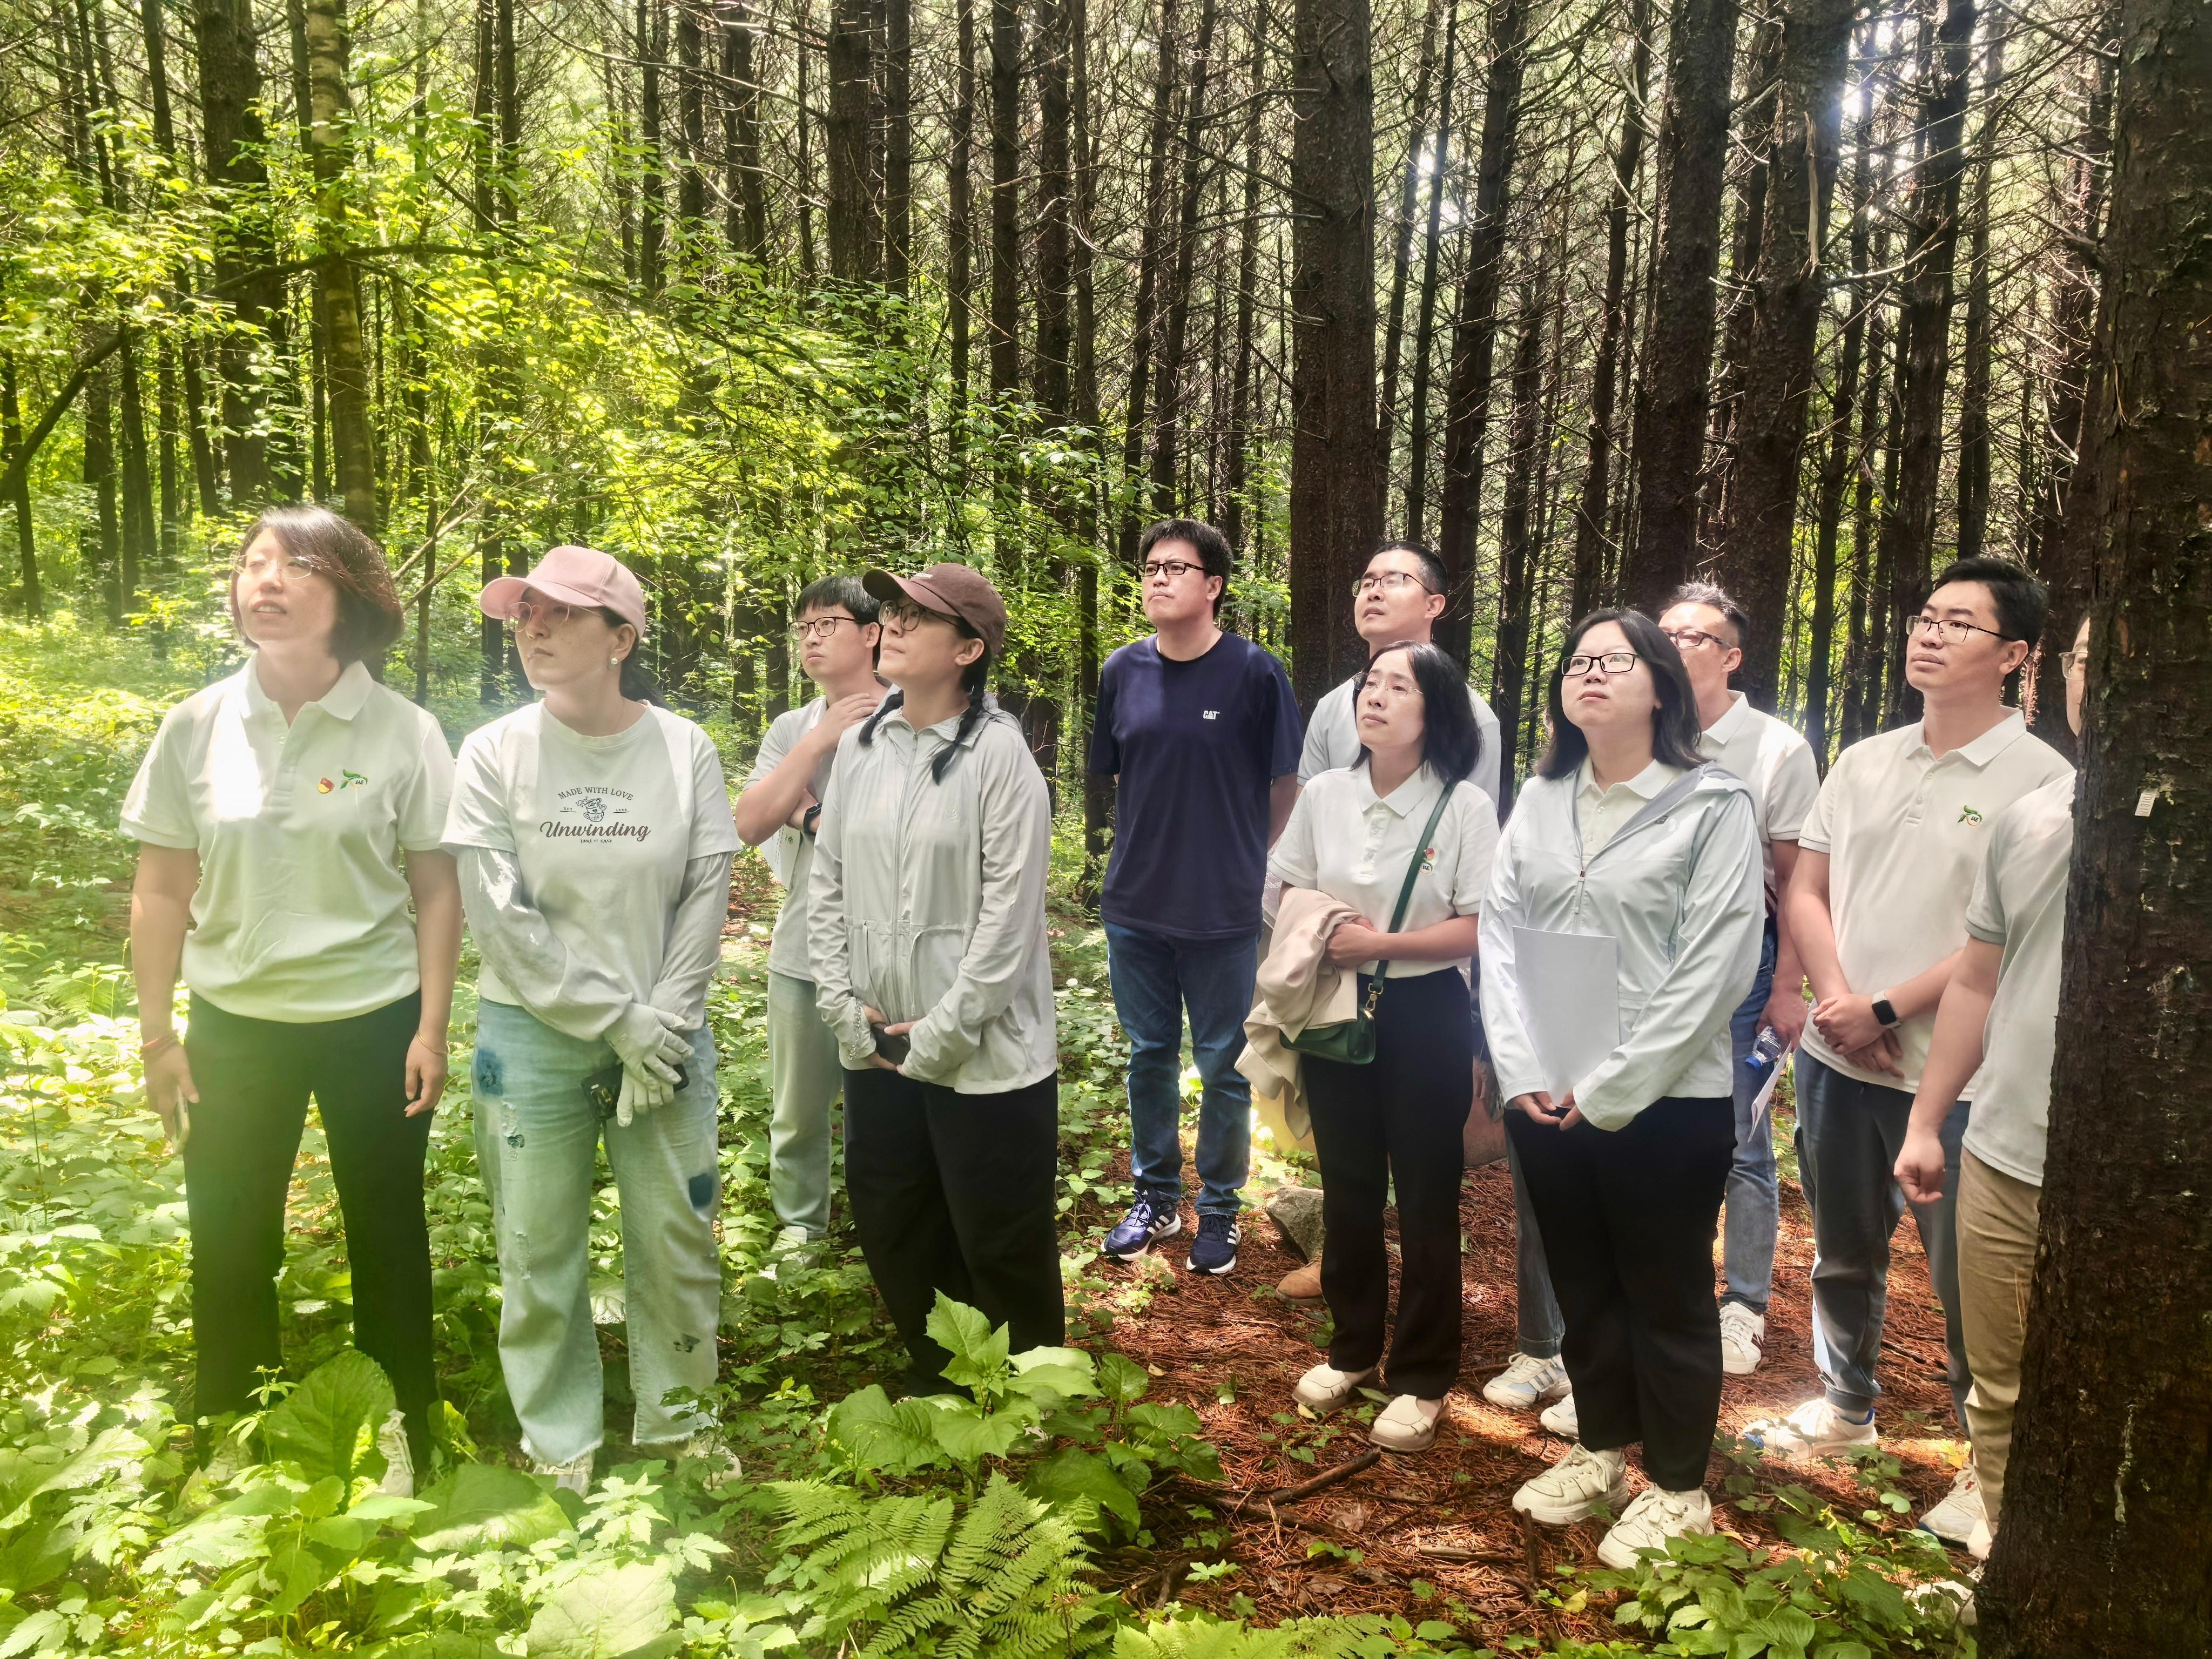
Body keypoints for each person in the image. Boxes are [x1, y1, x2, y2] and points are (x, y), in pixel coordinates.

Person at [123, 506, 461, 1488]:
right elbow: (161, 888)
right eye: (252, 563)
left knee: (387, 1229)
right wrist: (158, 1035)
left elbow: (439, 888)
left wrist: (431, 1027)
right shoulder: (195, 725)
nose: (264, 581)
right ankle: (231, 1434)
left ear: (348, 595)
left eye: (294, 565)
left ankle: (401, 1429)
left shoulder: (404, 730)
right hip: (233, 1026)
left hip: (374, 1019)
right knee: (230, 1234)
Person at [1758, 556, 2069, 1551]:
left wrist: (1888, 1005)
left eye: (1959, 623)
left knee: (1969, 1284)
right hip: (1839, 1057)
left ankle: (1988, 1467)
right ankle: (1846, 1405)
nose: (1929, 634)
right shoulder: (1863, 761)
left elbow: (2000, 944)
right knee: (1841, 1248)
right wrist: (1841, 1002)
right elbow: (1807, 889)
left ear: (2015, 656)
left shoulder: (2043, 782)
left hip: (1961, 1077)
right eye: (1925, 616)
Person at [444, 545, 740, 1494]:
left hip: (667, 1030)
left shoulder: (684, 749)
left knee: (677, 1236)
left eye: (562, 613)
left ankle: (681, 1422)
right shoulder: (493, 751)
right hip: (530, 1036)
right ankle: (559, 1439)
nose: (533, 627)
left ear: (621, 638)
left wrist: (663, 1024)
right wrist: (620, 1021)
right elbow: (498, 913)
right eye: (525, 612)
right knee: (536, 1244)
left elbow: (706, 889)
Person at [1483, 610, 1764, 1569]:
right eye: (1577, 661)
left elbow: (1718, 962)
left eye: (1614, 659)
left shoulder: (1712, 804)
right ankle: (1600, 1449)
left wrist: (1612, 1086)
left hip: (1667, 1099)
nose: (1590, 673)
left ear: (1661, 687)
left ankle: (1679, 1488)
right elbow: (1499, 936)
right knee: (1584, 1282)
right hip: (1546, 1094)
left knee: (1667, 1291)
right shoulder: (1540, 798)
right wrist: (1523, 1070)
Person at [806, 564, 1061, 1394]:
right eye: (892, 609)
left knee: (998, 1231)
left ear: (969, 650)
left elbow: (1009, 919)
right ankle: (945, 1380)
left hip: (984, 1053)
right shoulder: (860, 747)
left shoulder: (1001, 756)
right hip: (877, 1037)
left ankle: (1027, 1399)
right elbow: (827, 882)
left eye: (920, 615)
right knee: (895, 1217)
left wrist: (945, 1032)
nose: (894, 622)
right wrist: (841, 1005)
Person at [1894, 613, 2089, 1561]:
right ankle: (2007, 1573)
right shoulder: (2036, 817)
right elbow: (1977, 980)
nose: (2106, 679)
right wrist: (1927, 1121)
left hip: (2159, 1187)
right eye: (2092, 659)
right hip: (2008, 1151)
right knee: (2001, 1389)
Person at [1271, 643, 1498, 1452]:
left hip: (1426, 1011)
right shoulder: (1326, 794)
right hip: (1336, 1004)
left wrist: (1383, 946)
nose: (1376, 697)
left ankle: (1424, 1375)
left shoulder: (1464, 807)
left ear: (1434, 711)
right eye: (1371, 684)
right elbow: (1287, 883)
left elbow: (1479, 924)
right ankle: (1353, 1347)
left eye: (1399, 687)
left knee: (1428, 1195)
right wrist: (1331, 930)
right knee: (1349, 1186)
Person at [1091, 519, 1303, 1277]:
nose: (1158, 578)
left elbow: (1285, 784)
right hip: (1136, 905)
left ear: (1213, 586)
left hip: (1221, 908)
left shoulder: (1254, 672)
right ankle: (1155, 1197)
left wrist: (1244, 858)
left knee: (1222, 1064)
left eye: (1175, 567)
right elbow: (1121, 774)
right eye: (1150, 567)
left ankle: (1218, 1208)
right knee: (1149, 1056)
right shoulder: (1122, 670)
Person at [1656, 582, 1819, 1375]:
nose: (1672, 646)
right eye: (1663, 632)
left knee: (1740, 1137)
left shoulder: (1775, 749)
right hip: (1646, 959)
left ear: (1731, 657)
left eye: (1692, 637)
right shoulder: (1640, 731)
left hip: (1742, 963)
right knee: (1649, 1123)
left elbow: (1798, 882)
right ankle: (1665, 1283)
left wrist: (1788, 986)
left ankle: (1744, 1304)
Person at [733, 577, 885, 1255]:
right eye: (803, 628)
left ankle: (886, 1224)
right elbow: (750, 821)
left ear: (872, 634)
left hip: (889, 949)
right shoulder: (793, 728)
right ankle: (801, 1224)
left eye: (828, 623)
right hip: (801, 946)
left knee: (885, 1099)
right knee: (797, 1102)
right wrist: (818, 742)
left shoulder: (912, 714)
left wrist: (809, 811)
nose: (812, 638)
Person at [1296, 541, 1503, 806]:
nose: (1374, 593)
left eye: (1393, 581)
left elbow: (1476, 823)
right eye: (1367, 584)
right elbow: (1305, 814)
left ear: (1433, 605)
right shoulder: (1332, 707)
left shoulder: (1473, 717)